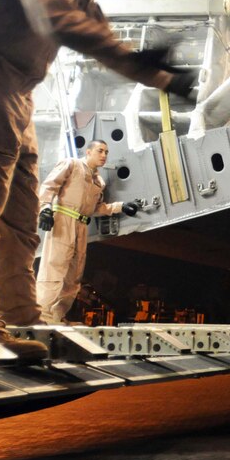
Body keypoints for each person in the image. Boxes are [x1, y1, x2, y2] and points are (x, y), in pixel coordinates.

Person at [0, 0, 195, 361]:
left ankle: (19, 318)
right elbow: (62, 21)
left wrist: (153, 71)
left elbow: (96, 28)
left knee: (19, 218)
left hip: (17, 90)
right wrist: (145, 67)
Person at [36, 139, 138, 324]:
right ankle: (41, 315)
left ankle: (57, 317)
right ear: (88, 152)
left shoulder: (98, 181)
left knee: (74, 277)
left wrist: (120, 207)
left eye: (106, 152)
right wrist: (45, 208)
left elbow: (97, 208)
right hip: (63, 220)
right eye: (100, 151)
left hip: (81, 226)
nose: (104, 155)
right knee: (54, 269)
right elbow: (49, 186)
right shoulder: (71, 164)